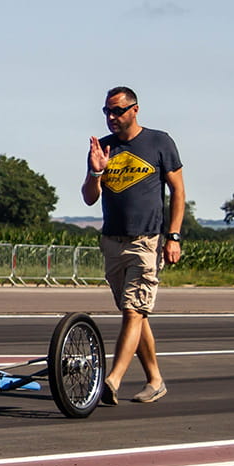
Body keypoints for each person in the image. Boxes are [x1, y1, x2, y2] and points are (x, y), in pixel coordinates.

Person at [81, 86, 185, 405]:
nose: (112, 117)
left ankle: (112, 380)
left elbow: (178, 192)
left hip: (146, 240)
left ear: (135, 109)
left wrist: (174, 236)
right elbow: (88, 197)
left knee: (132, 310)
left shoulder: (159, 142)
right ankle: (155, 379)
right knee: (137, 315)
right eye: (107, 112)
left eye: (118, 111)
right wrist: (97, 170)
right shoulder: (104, 147)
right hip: (112, 240)